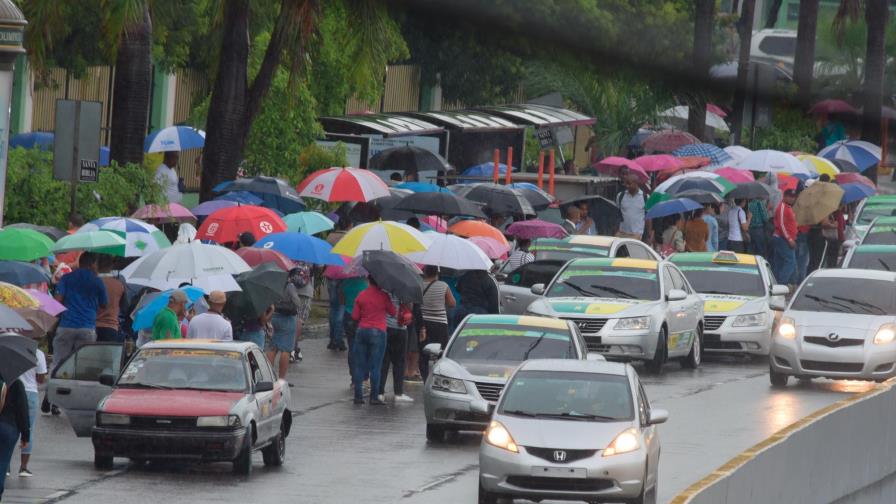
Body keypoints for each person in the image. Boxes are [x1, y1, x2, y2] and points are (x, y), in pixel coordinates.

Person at [53, 252, 108, 372]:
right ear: (93, 264)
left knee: (59, 362)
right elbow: (104, 304)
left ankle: (55, 385)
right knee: (83, 364)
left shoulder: (66, 278)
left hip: (66, 325)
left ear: (80, 263)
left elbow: (57, 300)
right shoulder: (97, 281)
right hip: (87, 327)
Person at [351, 277, 395, 405]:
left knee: (359, 366)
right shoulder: (384, 296)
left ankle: (358, 396)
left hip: (362, 330)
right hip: (379, 332)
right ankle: (374, 397)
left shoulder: (361, 295)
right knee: (376, 366)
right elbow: (393, 312)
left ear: (368, 280)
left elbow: (354, 316)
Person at [13, 349, 46, 477]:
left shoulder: (11, 349)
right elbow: (41, 379)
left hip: (13, 391)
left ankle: (6, 466)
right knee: (28, 429)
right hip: (31, 393)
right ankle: (23, 467)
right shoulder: (38, 353)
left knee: (10, 428)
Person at [419, 266, 455, 381]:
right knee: (441, 352)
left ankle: (425, 379)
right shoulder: (443, 285)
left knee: (423, 354)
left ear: (424, 272)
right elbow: (452, 303)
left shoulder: (419, 285)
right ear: (437, 273)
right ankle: (438, 379)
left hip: (423, 324)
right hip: (440, 324)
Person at [377, 293, 414, 403]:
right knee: (399, 362)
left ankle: (380, 393)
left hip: (384, 327)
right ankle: (398, 393)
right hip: (400, 328)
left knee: (384, 361)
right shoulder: (403, 289)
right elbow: (410, 308)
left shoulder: (382, 288)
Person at [269, 268, 302, 380]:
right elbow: (296, 301)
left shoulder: (274, 283)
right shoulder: (290, 286)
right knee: (286, 349)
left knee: (273, 347)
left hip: (274, 316)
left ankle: (269, 376)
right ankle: (281, 378)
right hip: (287, 319)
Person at [0, 379, 30, 499]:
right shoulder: (16, 383)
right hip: (9, 427)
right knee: (2, 462)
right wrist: (25, 435)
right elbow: (22, 410)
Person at [341, 275, 369, 386]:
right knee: (365, 348)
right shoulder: (366, 285)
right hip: (362, 317)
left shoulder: (345, 283)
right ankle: (365, 377)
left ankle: (354, 378)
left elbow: (342, 301)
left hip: (348, 315)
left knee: (352, 347)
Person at [95, 254, 126, 343]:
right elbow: (124, 308)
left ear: (96, 264)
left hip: (91, 327)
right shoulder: (119, 284)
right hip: (111, 328)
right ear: (112, 265)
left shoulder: (91, 282)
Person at [772, 189, 798, 286]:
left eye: (794, 197)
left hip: (784, 238)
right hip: (782, 239)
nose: (792, 199)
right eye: (790, 197)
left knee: (780, 262)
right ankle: (782, 283)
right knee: (790, 262)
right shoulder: (782, 207)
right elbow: (781, 224)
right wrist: (789, 239)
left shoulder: (788, 207)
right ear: (785, 196)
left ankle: (777, 282)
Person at [291, 261, 313, 363]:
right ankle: (293, 348)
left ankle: (290, 347)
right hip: (305, 292)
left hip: (291, 291)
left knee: (292, 319)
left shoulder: (290, 257)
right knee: (299, 321)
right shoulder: (309, 257)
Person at [616, 175, 648, 240]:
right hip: (623, 234)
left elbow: (648, 218)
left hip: (637, 235)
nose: (627, 186)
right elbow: (618, 213)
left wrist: (649, 235)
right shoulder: (620, 196)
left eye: (629, 184)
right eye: (626, 183)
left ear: (636, 183)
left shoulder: (645, 197)